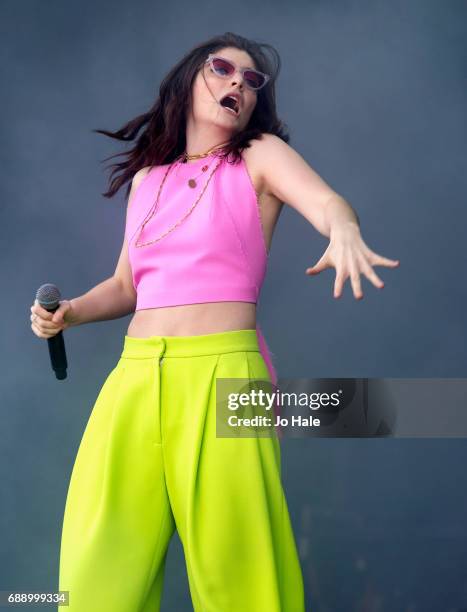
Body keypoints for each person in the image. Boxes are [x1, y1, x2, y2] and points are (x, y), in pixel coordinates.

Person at [30, 32, 399, 612]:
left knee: (241, 571)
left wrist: (345, 229)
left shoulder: (258, 156)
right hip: (134, 381)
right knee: (95, 569)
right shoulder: (148, 182)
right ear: (188, 80)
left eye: (252, 82)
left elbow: (327, 203)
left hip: (227, 377)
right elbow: (128, 286)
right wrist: (71, 312)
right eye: (223, 69)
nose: (237, 84)